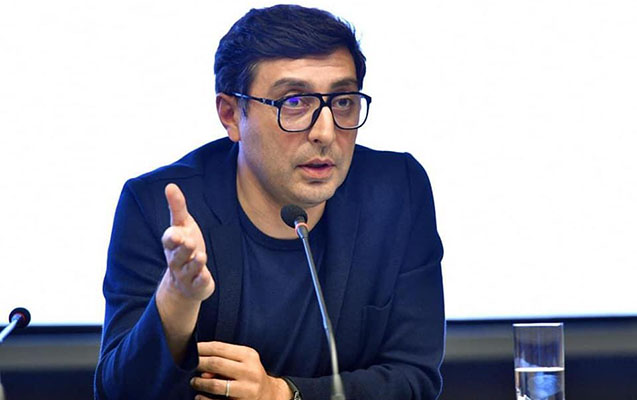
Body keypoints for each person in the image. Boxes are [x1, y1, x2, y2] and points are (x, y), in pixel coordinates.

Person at [95, 4, 445, 400]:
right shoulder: (159, 207)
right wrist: (176, 298)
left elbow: (415, 379)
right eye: (294, 102)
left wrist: (281, 394)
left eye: (343, 101)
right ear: (231, 115)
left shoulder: (396, 192)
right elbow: (117, 393)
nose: (325, 132)